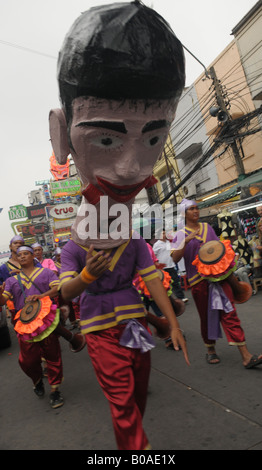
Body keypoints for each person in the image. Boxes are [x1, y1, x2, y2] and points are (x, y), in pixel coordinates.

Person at [49, 2, 189, 450]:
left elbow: (150, 273)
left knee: (138, 395)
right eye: (106, 139)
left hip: (137, 325)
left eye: (153, 138)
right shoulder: (74, 244)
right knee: (123, 403)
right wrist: (89, 274)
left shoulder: (129, 233)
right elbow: (62, 292)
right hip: (98, 327)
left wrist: (171, 322)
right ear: (61, 135)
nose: (131, 169)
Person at [171, 198, 262, 369]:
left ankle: (246, 356)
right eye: (191, 209)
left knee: (230, 313)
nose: (196, 211)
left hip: (219, 278)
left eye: (197, 208)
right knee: (206, 317)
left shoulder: (207, 228)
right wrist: (187, 241)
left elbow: (219, 248)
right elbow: (175, 258)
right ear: (184, 213)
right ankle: (210, 348)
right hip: (199, 282)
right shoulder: (180, 234)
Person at [0, 245, 64, 408]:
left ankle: (55, 390)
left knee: (52, 355)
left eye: (25, 254)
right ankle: (37, 381)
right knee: (27, 360)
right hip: (25, 325)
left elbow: (57, 289)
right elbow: (3, 301)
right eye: (19, 254)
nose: (22, 256)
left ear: (32, 257)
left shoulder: (47, 273)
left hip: (45, 321)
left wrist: (41, 296)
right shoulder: (11, 280)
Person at [153, 230, 188, 303]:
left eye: (165, 233)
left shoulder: (169, 243)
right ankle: (168, 301)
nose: (164, 235)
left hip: (171, 266)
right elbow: (153, 256)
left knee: (175, 282)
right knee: (165, 285)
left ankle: (181, 297)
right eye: (163, 233)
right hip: (162, 268)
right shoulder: (157, 244)